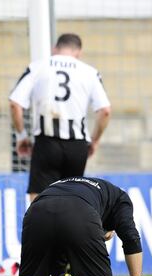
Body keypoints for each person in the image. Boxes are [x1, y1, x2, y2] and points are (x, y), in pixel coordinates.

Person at [0, 177, 147, 276]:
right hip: (80, 211)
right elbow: (131, 238)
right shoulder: (120, 198)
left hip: (36, 212)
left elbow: (58, 259)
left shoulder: (70, 185)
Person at [9, 33, 111, 202]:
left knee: (39, 201)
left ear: (55, 49)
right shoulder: (90, 72)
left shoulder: (38, 67)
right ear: (78, 53)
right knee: (73, 201)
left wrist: (21, 136)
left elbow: (15, 104)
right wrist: (95, 140)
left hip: (46, 142)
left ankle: (40, 229)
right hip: (77, 146)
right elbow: (105, 111)